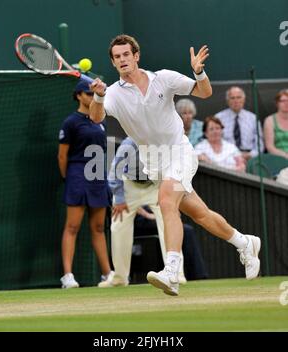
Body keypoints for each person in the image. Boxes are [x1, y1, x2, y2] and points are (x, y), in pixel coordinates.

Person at [88, 34, 261, 296]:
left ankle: (171, 271)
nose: (123, 60)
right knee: (200, 214)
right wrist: (98, 97)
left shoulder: (164, 78)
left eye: (126, 54)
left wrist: (199, 73)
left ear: (136, 56)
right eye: (117, 57)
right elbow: (95, 117)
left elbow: (204, 92)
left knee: (166, 201)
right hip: (154, 161)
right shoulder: (111, 93)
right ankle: (244, 243)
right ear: (113, 63)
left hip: (179, 152)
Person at [99, 137, 187, 288]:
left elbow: (177, 169)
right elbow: (114, 171)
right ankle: (119, 278)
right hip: (129, 186)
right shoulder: (128, 145)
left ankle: (177, 274)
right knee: (117, 226)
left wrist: (175, 199)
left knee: (169, 221)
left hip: (156, 185)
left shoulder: (164, 142)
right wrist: (119, 198)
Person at [58, 79, 114, 289]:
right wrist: (70, 178)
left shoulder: (101, 120)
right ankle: (68, 276)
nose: (92, 97)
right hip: (77, 175)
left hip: (98, 177)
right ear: (79, 96)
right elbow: (62, 156)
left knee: (99, 227)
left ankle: (107, 274)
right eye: (89, 94)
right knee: (72, 226)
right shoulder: (70, 122)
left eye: (94, 94)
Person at [134, 206, 208, 280]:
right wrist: (148, 215)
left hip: (159, 215)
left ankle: (198, 275)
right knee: (182, 229)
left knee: (187, 230)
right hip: (140, 220)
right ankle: (172, 273)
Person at [215, 86, 264, 162]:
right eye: (232, 98)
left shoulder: (253, 118)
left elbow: (259, 143)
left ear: (244, 100)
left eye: (239, 97)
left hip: (250, 158)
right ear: (227, 101)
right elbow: (215, 141)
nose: (236, 101)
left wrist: (251, 155)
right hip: (227, 157)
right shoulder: (218, 118)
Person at [263, 89, 288, 158]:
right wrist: (285, 156)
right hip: (278, 158)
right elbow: (270, 147)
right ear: (277, 103)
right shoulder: (269, 120)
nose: (286, 103)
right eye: (283, 101)